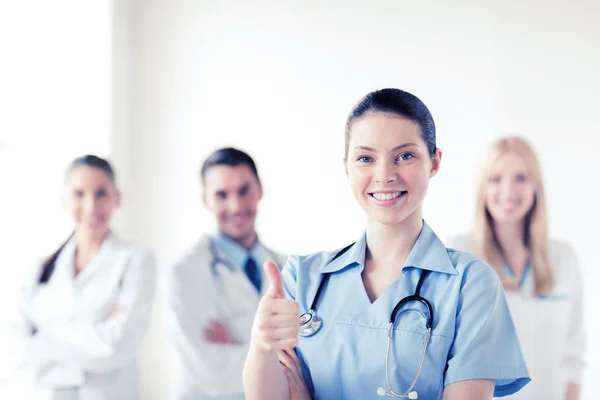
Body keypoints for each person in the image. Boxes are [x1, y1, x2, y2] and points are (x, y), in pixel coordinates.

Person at [242, 88, 531, 400]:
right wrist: (262, 343)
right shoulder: (302, 277)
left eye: (404, 156)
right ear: (346, 167)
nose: (384, 175)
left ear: (434, 162)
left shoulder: (470, 284)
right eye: (366, 158)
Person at [446, 136, 586, 400]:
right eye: (496, 179)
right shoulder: (458, 254)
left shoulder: (564, 257)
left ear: (536, 187)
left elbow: (573, 356)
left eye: (521, 178)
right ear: (482, 188)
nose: (508, 191)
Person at [7, 155, 157, 399]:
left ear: (117, 198)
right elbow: (14, 347)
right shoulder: (38, 269)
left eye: (101, 193)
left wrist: (42, 336)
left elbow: (116, 346)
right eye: (79, 194)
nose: (91, 206)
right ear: (65, 200)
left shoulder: (136, 261)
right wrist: (93, 334)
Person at [166, 147, 287, 400]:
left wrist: (237, 346)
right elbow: (211, 372)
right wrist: (278, 353)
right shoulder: (185, 273)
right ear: (205, 200)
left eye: (244, 191)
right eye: (222, 195)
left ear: (260, 190)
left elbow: (309, 358)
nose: (236, 206)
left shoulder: (287, 267)